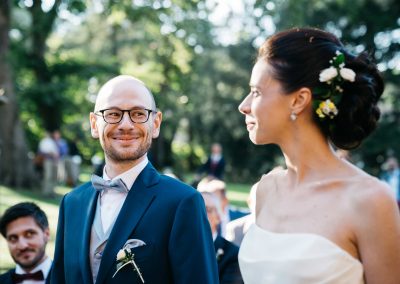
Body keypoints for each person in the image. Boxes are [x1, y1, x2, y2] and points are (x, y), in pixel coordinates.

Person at [237, 27, 400, 283]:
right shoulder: (265, 190)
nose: (243, 105)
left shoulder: (370, 201)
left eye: (256, 92)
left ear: (299, 100)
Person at [51, 75, 218, 284]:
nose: (126, 124)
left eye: (138, 114)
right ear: (94, 124)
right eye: (113, 114)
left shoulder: (183, 202)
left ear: (155, 123)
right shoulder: (72, 203)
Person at [0, 202, 52, 284]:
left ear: (46, 234)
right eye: (13, 238)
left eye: (29, 234)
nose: (22, 246)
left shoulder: (70, 278)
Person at [200, 191, 243, 284]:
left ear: (218, 216)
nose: (199, 214)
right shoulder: (176, 247)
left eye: (207, 209)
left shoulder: (232, 255)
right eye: (195, 209)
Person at [37, 132, 59, 196]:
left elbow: (56, 152)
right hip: (47, 160)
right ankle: (46, 192)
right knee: (48, 176)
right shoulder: (43, 142)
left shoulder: (52, 142)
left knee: (53, 177)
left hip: (54, 161)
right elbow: (41, 151)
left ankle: (51, 192)